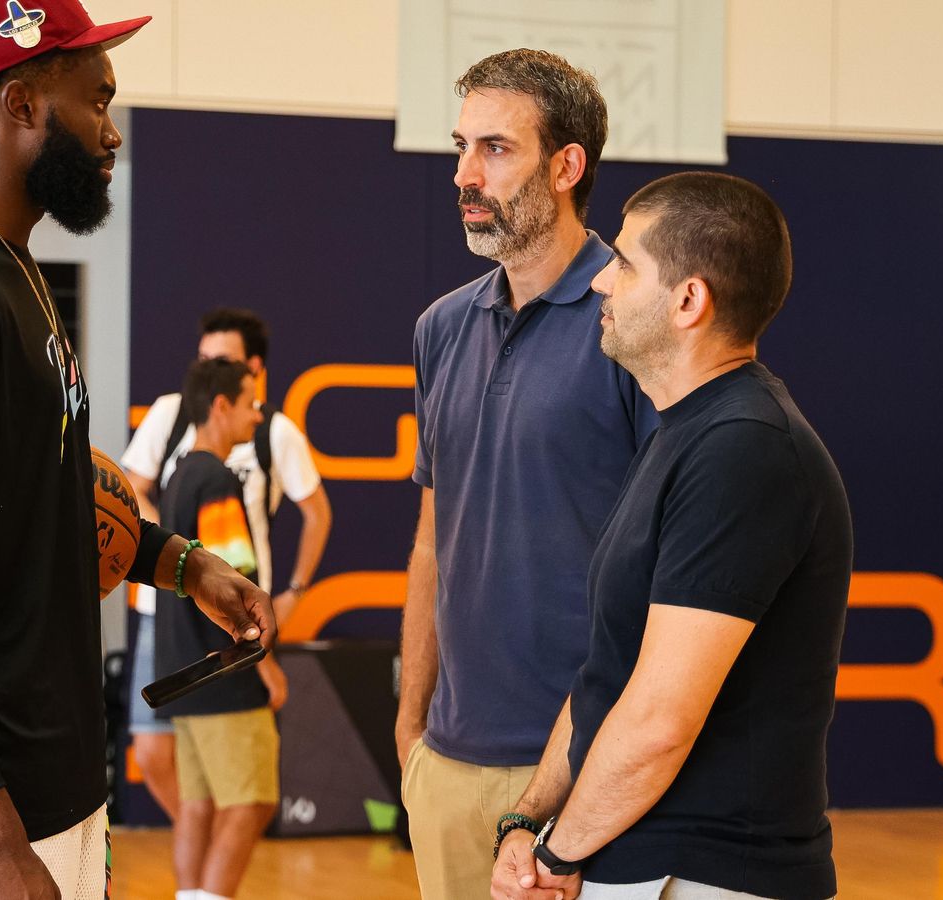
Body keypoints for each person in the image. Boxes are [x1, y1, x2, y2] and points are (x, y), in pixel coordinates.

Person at [0, 4, 274, 899]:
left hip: (37, 776)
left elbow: (47, 496)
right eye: (96, 102)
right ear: (23, 103)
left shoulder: (10, 268)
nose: (112, 134)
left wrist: (182, 565)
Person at [490, 172, 851, 900]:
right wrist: (527, 820)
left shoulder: (744, 448)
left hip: (708, 875)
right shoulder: (681, 433)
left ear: (689, 300)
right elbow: (609, 674)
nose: (601, 283)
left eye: (624, 265)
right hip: (634, 862)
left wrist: (555, 856)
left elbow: (659, 721)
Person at [395, 49, 658, 898]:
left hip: (584, 768)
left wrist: (610, 759)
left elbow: (673, 565)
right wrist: (410, 730)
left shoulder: (636, 323)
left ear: (566, 165)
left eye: (496, 149)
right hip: (446, 764)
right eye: (461, 147)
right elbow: (432, 542)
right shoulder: (440, 328)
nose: (465, 174)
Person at [122, 308, 328, 819]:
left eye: (223, 359)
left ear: (251, 368)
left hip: (234, 605)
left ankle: (205, 856)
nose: (207, 368)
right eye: (204, 358)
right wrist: (178, 555)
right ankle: (211, 857)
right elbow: (129, 491)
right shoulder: (181, 429)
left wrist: (295, 590)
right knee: (173, 763)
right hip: (169, 610)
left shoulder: (271, 432)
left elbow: (316, 513)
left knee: (221, 789)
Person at [154, 358, 283, 900]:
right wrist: (267, 666)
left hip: (185, 674)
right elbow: (235, 585)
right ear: (221, 405)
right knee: (252, 800)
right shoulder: (216, 479)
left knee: (199, 804)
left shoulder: (179, 475)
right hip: (225, 676)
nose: (258, 416)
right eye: (251, 403)